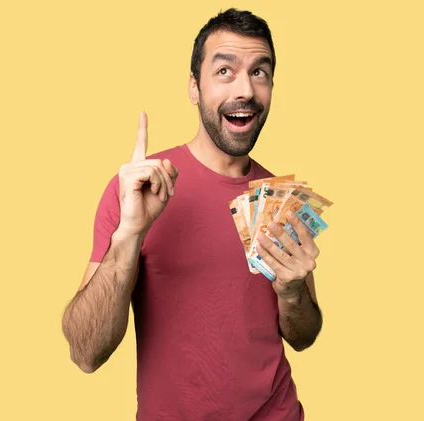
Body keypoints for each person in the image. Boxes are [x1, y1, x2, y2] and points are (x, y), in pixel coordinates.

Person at [61, 8, 323, 420]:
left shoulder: (279, 200)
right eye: (225, 71)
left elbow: (304, 336)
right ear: (194, 87)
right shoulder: (138, 191)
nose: (247, 90)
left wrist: (292, 295)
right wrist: (130, 233)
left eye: (260, 72)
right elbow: (86, 352)